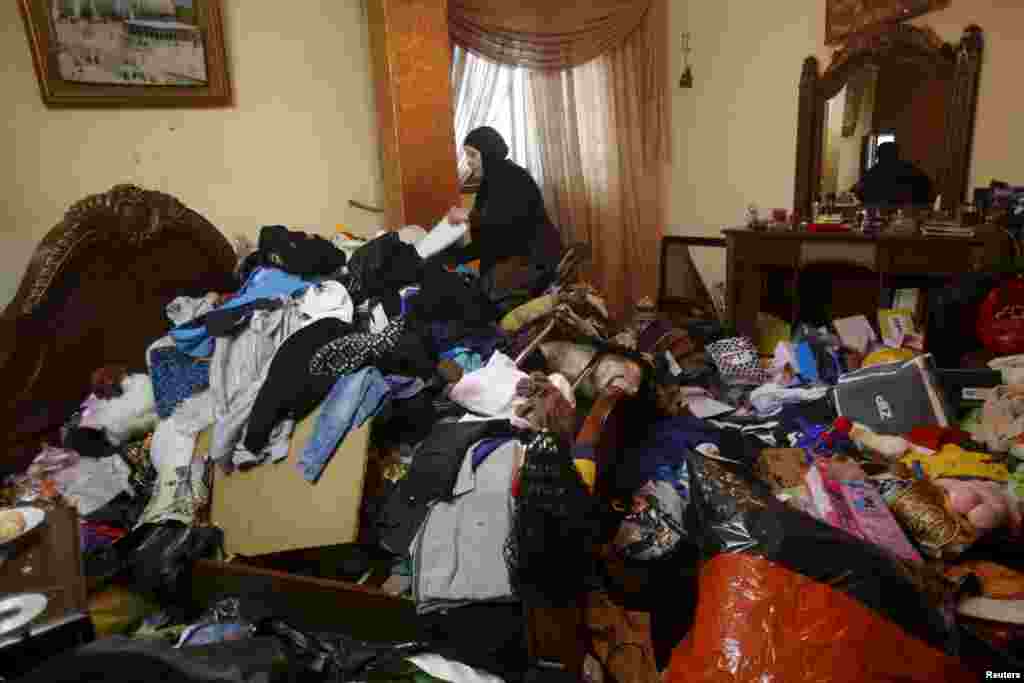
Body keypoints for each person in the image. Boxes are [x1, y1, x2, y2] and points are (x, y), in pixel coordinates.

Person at [442, 127, 563, 293]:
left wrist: (468, 215)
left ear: (488, 153)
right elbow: (488, 241)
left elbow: (506, 228)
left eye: (472, 154)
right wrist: (454, 258)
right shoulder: (488, 184)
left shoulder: (514, 178)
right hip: (511, 265)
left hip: (532, 265)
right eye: (467, 155)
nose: (468, 161)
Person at [853, 141, 934, 208]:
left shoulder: (874, 172)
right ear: (897, 154)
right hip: (906, 215)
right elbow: (928, 188)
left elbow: (857, 191)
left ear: (879, 155)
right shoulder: (910, 170)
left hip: (879, 215)